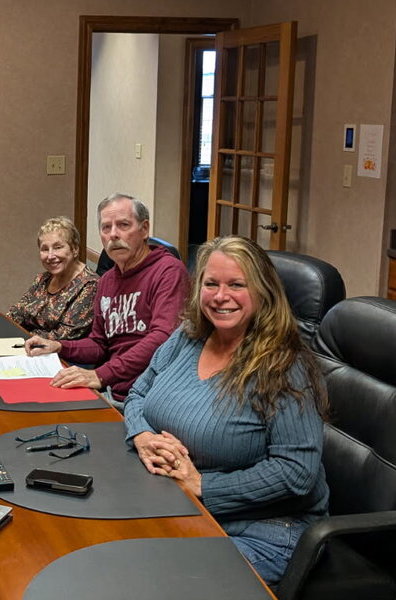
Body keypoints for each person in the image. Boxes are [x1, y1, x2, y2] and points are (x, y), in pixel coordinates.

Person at [123, 236, 329, 584]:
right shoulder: (188, 335)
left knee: (155, 582)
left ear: (263, 292)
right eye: (211, 284)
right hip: (179, 501)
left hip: (264, 528)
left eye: (237, 285)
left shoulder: (284, 366)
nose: (221, 297)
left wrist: (202, 484)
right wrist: (142, 435)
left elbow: (296, 472)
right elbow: (137, 394)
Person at [25, 193, 188, 401]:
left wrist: (100, 375)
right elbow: (99, 344)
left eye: (123, 225)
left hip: (152, 395)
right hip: (114, 390)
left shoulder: (168, 271)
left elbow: (163, 338)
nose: (113, 235)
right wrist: (59, 345)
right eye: (106, 228)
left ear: (144, 229)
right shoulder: (108, 280)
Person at [6, 216, 98, 340]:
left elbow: (65, 335)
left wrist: (21, 338)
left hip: (59, 354)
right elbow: (17, 313)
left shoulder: (90, 285)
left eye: (58, 247)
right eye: (44, 249)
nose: (50, 256)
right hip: (27, 345)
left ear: (75, 249)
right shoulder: (42, 279)